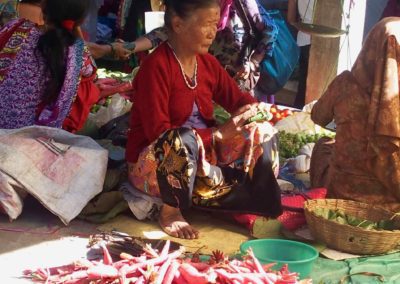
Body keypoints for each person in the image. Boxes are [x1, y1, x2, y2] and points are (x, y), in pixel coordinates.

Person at [126, 0, 282, 240]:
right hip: (156, 164)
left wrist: (253, 111)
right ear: (178, 24)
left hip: (201, 157)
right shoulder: (155, 67)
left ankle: (261, 201)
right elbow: (159, 135)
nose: (214, 32)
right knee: (179, 138)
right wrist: (217, 135)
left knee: (262, 130)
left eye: (215, 24)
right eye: (207, 24)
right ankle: (171, 211)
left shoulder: (207, 63)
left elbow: (237, 100)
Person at [310, 17, 400, 212]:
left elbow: (317, 116)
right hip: (389, 209)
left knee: (322, 146)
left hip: (340, 198)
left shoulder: (345, 83)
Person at [126, 0, 275, 94]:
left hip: (235, 81)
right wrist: (131, 46)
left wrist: (253, 62)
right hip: (203, 80)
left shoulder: (243, 4)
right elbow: (169, 29)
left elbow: (270, 30)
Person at [0, 0, 97, 131]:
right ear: (82, 21)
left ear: (43, 7)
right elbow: (86, 92)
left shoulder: (16, 28)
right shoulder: (78, 54)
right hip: (31, 138)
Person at [0, 0, 131, 60]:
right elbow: (75, 50)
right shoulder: (14, 15)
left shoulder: (58, 11)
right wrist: (110, 49)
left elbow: (77, 47)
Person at [287, 0, 314, 109]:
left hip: (304, 40)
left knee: (303, 88)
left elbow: (291, 18)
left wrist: (305, 28)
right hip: (325, 44)